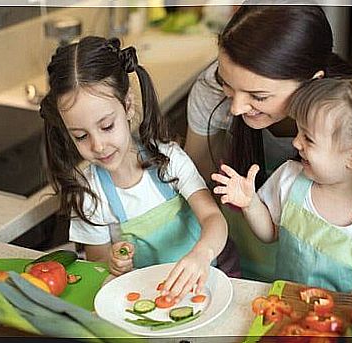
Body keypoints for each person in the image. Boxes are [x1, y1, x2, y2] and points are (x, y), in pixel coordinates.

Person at [39, 36, 228, 303]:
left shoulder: (169, 159)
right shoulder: (89, 192)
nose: (98, 145)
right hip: (145, 300)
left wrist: (202, 254)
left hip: (205, 287)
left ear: (127, 106)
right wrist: (115, 262)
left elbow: (213, 219)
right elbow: (99, 261)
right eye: (81, 136)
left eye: (106, 126)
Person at [184, 5, 352, 282]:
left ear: (312, 83)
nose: (237, 108)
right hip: (239, 258)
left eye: (259, 96)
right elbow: (195, 180)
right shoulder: (211, 90)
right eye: (228, 84)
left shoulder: (351, 113)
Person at [211, 77, 352, 301]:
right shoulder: (290, 177)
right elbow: (270, 234)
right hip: (286, 309)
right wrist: (251, 203)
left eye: (308, 139)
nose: (295, 143)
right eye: (299, 132)